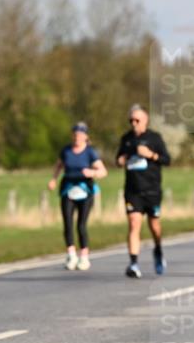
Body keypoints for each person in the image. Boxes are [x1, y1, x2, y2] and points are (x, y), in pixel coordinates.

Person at [116, 104, 171, 277]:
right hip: (133, 190)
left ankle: (158, 249)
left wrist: (151, 155)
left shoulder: (155, 138)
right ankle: (133, 263)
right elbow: (118, 160)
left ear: (145, 121)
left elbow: (167, 160)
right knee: (134, 224)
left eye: (137, 120)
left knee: (154, 226)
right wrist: (121, 159)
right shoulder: (126, 139)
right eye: (131, 120)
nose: (133, 123)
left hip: (152, 190)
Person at [48, 122, 107, 272]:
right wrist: (54, 179)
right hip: (68, 190)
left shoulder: (90, 152)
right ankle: (71, 255)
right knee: (67, 222)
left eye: (80, 134)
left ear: (86, 136)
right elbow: (59, 165)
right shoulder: (66, 151)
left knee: (81, 224)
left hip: (85, 191)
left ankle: (84, 257)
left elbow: (103, 171)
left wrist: (92, 173)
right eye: (75, 134)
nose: (77, 137)